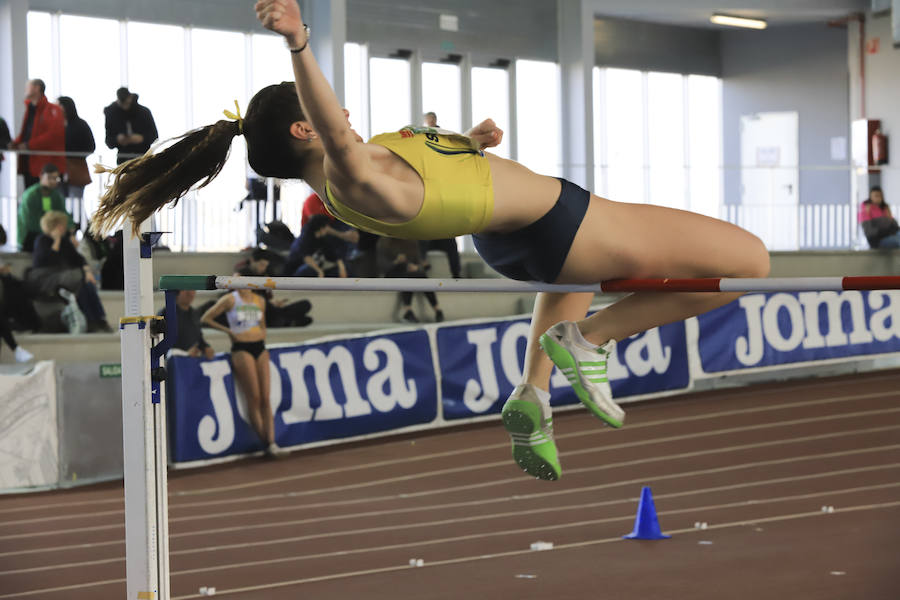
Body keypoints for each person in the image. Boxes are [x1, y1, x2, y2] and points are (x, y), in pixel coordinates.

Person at [91, 0, 770, 481]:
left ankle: (533, 394)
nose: (345, 113)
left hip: (519, 243)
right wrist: (299, 43)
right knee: (748, 262)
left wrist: (470, 143)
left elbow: (442, 181)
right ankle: (590, 338)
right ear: (306, 132)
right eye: (327, 116)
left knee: (638, 282)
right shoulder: (348, 175)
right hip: (566, 225)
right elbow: (340, 135)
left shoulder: (370, 169)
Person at [201, 281, 284, 457]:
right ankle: (267, 443)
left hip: (260, 347)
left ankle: (272, 441)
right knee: (254, 397)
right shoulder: (230, 300)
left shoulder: (259, 300)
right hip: (242, 349)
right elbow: (206, 318)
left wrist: (262, 333)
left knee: (266, 398)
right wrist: (229, 331)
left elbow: (263, 324)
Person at [30, 211, 111, 333]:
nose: (64, 228)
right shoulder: (42, 240)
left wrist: (86, 269)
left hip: (67, 277)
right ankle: (94, 321)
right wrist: (56, 240)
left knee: (86, 285)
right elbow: (45, 260)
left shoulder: (65, 242)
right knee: (81, 278)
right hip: (47, 278)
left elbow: (78, 259)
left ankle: (98, 319)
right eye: (60, 225)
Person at [8, 79, 66, 189]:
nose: (25, 89)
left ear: (37, 88)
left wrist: (29, 145)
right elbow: (26, 133)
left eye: (28, 86)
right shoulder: (30, 109)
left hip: (45, 166)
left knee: (46, 200)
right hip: (29, 164)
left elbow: (52, 136)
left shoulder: (53, 110)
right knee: (32, 196)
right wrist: (15, 143)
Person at [236, 248, 313, 327]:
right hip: (251, 310)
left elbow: (268, 299)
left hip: (269, 311)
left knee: (306, 305)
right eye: (261, 265)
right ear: (252, 260)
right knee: (271, 311)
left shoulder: (264, 275)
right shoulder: (241, 274)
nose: (264, 268)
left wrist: (275, 303)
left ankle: (282, 321)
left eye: (266, 266)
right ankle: (283, 322)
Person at [377, 236, 444, 323]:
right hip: (393, 272)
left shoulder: (412, 241)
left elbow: (418, 262)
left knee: (421, 276)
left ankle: (437, 309)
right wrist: (396, 261)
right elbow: (382, 266)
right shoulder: (383, 242)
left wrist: (416, 267)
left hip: (409, 271)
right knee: (408, 277)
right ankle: (408, 310)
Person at [57, 96, 96, 222]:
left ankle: (86, 233)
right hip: (59, 170)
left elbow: (91, 146)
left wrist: (71, 152)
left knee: (76, 204)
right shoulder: (56, 125)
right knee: (61, 203)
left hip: (75, 168)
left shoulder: (80, 125)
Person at [17, 163, 73, 251]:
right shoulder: (30, 195)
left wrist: (70, 228)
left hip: (49, 233)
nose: (53, 181)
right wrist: (50, 230)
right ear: (41, 176)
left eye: (55, 178)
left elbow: (63, 213)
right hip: (30, 235)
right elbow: (29, 221)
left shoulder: (56, 196)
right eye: (50, 178)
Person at [283, 213, 350, 277]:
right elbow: (306, 257)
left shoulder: (321, 238)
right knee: (308, 270)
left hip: (314, 264)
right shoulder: (306, 238)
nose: (328, 229)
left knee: (344, 269)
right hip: (297, 268)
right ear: (321, 227)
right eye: (326, 226)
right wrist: (319, 271)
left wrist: (342, 267)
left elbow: (332, 253)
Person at [104, 87, 158, 165]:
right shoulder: (112, 114)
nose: (125, 107)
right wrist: (117, 139)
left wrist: (141, 138)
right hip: (123, 160)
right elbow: (108, 141)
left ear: (130, 98)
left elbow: (154, 135)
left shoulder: (144, 112)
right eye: (122, 104)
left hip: (144, 158)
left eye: (126, 104)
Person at [159, 289, 215, 359]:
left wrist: (206, 347)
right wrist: (185, 354)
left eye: (192, 290)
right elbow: (160, 343)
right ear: (176, 292)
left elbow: (199, 338)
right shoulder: (165, 314)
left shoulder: (194, 313)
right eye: (186, 289)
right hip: (172, 360)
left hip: (191, 360)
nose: (190, 293)